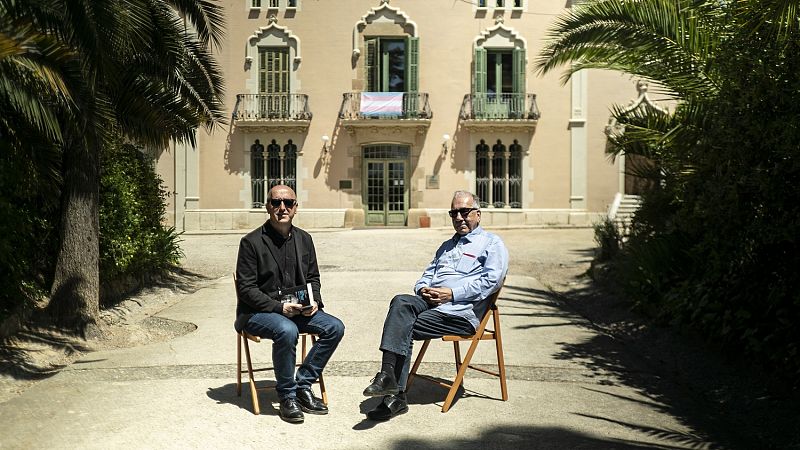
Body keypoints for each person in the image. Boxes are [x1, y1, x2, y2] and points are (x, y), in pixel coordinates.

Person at [362, 190, 509, 420]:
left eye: (465, 212)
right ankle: (388, 374)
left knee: (404, 325)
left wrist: (451, 294)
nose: (459, 217)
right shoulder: (446, 246)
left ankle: (395, 397)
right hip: (431, 304)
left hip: (459, 313)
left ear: (478, 214)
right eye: (454, 213)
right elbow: (425, 276)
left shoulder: (491, 244)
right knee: (401, 302)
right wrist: (423, 290)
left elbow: (492, 281)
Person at [235, 185, 345, 423]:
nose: (282, 208)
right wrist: (279, 308)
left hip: (298, 309)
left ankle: (303, 385)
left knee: (335, 327)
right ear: (267, 207)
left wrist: (314, 301)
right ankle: (287, 396)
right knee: (287, 329)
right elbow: (246, 289)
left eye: (288, 203)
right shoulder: (251, 242)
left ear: (296, 208)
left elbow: (313, 277)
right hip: (258, 312)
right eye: (276, 203)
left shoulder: (305, 239)